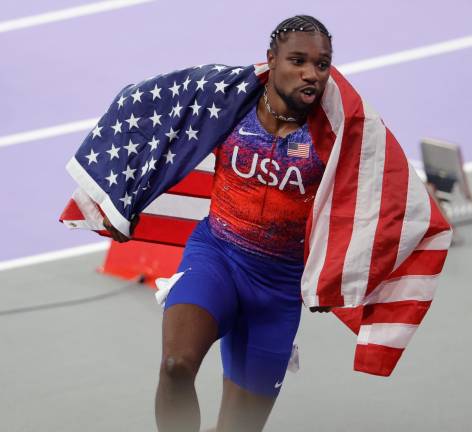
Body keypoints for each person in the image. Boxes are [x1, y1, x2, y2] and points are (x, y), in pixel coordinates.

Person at [104, 15, 335, 432]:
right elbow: (163, 141)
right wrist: (126, 202)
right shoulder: (231, 106)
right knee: (176, 365)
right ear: (271, 60)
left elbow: (364, 205)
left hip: (279, 285)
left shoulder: (336, 132)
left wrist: (335, 274)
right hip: (217, 256)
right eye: (297, 60)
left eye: (322, 64)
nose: (311, 74)